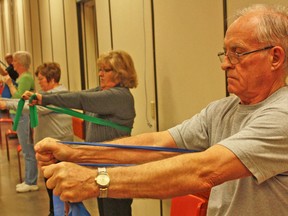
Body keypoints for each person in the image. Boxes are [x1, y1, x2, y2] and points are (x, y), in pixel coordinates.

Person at [30, 4, 288, 215]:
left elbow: (204, 170)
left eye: (238, 53)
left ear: (275, 57)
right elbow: (158, 144)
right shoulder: (222, 110)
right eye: (226, 53)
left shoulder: (282, 114)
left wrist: (94, 180)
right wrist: (75, 152)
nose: (225, 65)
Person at [23, 50, 138, 216]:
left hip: (116, 170)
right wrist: (42, 97)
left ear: (121, 73)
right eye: (100, 69)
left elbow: (81, 99)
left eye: (106, 70)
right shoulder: (102, 91)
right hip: (103, 169)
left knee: (115, 212)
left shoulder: (120, 96)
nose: (100, 74)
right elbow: (75, 95)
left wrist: (44, 98)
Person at [0, 62, 73, 215]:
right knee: (50, 184)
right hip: (49, 146)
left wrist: (6, 104)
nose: (38, 83)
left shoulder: (58, 95)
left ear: (52, 79)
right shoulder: (47, 94)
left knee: (59, 185)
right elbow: (27, 103)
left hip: (58, 146)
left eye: (41, 79)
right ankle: (53, 212)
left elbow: (33, 107)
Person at [3, 51, 37, 193]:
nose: (13, 64)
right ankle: (29, 179)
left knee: (27, 149)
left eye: (15, 61)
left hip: (23, 116)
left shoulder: (26, 78)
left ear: (21, 63)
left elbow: (18, 98)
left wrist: (10, 84)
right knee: (26, 149)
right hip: (20, 116)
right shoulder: (23, 77)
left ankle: (31, 181)